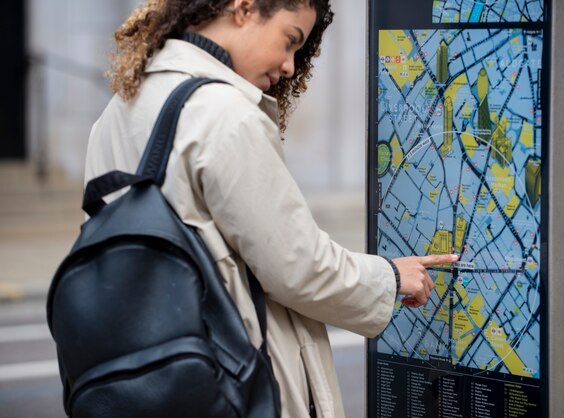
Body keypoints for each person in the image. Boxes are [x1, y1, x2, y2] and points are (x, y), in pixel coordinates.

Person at [84, 0, 459, 416]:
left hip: (146, 380)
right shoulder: (226, 116)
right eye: (290, 41)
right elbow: (298, 266)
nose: (289, 67)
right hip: (232, 385)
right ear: (244, 9)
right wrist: (390, 276)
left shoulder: (118, 111)